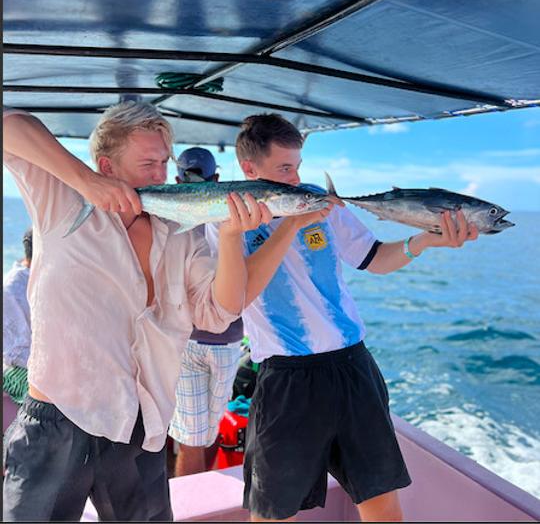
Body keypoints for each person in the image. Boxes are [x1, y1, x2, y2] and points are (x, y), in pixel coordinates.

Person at [1, 103, 282, 522]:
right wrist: (86, 181)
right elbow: (10, 124)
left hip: (142, 425)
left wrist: (228, 236)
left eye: (164, 163)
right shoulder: (60, 200)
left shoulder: (181, 231)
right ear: (106, 165)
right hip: (59, 420)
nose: (160, 175)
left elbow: (216, 312)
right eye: (148, 163)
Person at [205, 113, 480, 523]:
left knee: (382, 505)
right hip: (287, 378)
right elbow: (239, 297)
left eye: (297, 166)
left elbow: (373, 258)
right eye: (284, 168)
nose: (295, 178)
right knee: (273, 514)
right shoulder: (226, 220)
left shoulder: (317, 200)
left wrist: (424, 240)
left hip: (353, 367)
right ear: (250, 169)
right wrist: (289, 225)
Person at [169, 147, 245, 476]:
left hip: (193, 340)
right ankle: (193, 508)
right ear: (218, 180)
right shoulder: (237, 216)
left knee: (203, 433)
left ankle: (197, 502)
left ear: (176, 180)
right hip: (225, 340)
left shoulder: (163, 218)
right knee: (195, 437)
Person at [3, 228, 33, 405]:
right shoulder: (12, 287)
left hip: (38, 362)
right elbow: (13, 350)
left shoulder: (40, 277)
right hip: (16, 367)